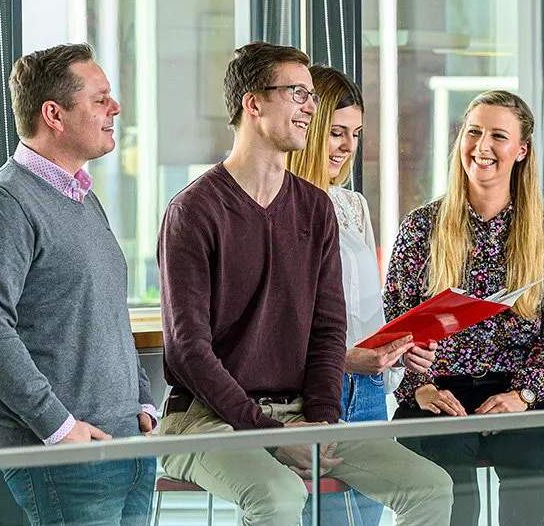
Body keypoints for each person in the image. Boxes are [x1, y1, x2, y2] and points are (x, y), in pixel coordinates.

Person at [156, 42, 452, 526]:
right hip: (204, 419)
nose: (311, 107)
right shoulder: (193, 211)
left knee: (429, 487)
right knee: (277, 495)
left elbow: (328, 330)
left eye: (312, 96)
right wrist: (268, 432)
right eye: (298, 94)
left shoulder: (316, 209)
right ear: (253, 104)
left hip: (300, 412)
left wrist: (320, 421)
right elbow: (189, 351)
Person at [0, 43, 158, 526]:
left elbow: (107, 314)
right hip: (66, 455)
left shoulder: (83, 198)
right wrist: (58, 426)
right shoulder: (3, 202)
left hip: (128, 444)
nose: (115, 108)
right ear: (54, 114)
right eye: (100, 98)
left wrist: (143, 401)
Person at [386, 90, 544, 526]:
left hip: (513, 392)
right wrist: (421, 386)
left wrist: (523, 395)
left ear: (521, 150)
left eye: (498, 136)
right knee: (452, 486)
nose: (482, 146)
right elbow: (396, 325)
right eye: (473, 132)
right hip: (438, 394)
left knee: (533, 453)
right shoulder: (421, 228)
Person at [285, 64, 442, 526]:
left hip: (370, 390)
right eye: (335, 132)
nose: (346, 146)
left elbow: (367, 307)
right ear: (307, 126)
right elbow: (277, 325)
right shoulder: (277, 204)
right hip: (312, 394)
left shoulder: (353, 205)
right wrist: (345, 358)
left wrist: (398, 349)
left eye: (354, 133)